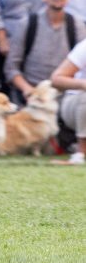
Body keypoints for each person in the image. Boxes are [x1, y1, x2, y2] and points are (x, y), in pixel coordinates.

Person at [5, 0, 86, 104]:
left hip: (65, 98)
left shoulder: (78, 26)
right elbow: (11, 68)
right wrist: (28, 90)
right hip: (31, 97)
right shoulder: (27, 24)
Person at [49, 35, 86, 165]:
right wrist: (82, 84)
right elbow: (56, 79)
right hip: (75, 104)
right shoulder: (84, 46)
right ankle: (80, 153)